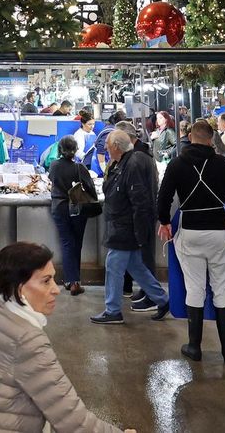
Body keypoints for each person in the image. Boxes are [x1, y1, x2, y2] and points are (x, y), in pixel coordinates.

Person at [0, 241, 133, 433]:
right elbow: (73, 421)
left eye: (53, 279)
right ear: (20, 289)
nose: (56, 289)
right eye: (46, 281)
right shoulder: (27, 341)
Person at [156, 119, 225, 362]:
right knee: (222, 287)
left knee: (194, 287)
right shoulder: (221, 163)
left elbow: (163, 197)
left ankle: (194, 347)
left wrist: (164, 222)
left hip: (190, 232)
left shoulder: (176, 164)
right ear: (210, 139)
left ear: (191, 137)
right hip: (218, 233)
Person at [91, 129, 169, 325]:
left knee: (113, 267)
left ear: (116, 147)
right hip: (125, 225)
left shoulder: (131, 164)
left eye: (108, 148)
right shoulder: (126, 162)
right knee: (137, 267)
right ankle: (163, 299)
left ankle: (113, 310)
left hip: (125, 227)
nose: (108, 152)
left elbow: (139, 200)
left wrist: (139, 230)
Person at [48, 135, 98, 295]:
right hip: (77, 208)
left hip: (59, 208)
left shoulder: (54, 166)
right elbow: (90, 188)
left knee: (67, 243)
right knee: (77, 243)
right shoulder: (80, 168)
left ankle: (72, 280)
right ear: (75, 150)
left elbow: (52, 181)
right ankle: (75, 281)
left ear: (60, 149)